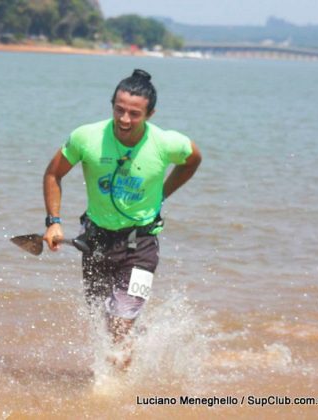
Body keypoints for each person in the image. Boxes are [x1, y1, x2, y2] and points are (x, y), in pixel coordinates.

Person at [42, 69, 202, 366]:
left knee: (119, 327)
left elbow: (193, 160)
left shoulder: (167, 143)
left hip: (142, 247)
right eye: (119, 110)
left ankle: (117, 391)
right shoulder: (86, 137)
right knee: (99, 318)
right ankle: (118, 366)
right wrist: (53, 221)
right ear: (112, 105)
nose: (125, 119)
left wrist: (164, 193)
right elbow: (53, 174)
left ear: (150, 114)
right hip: (95, 242)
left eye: (134, 113)